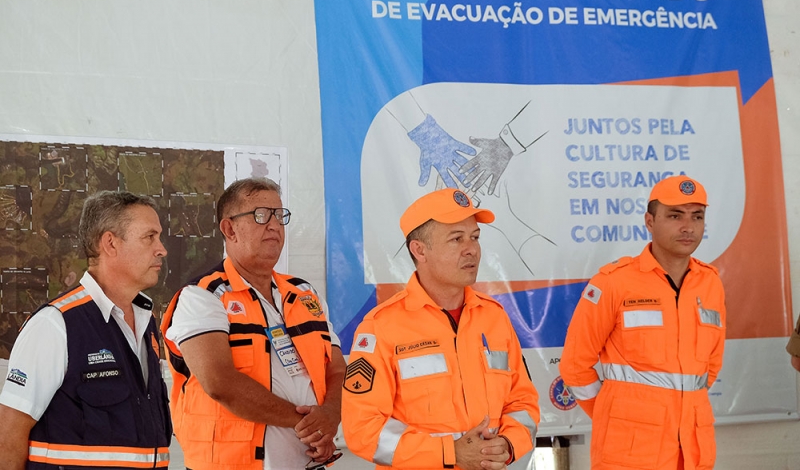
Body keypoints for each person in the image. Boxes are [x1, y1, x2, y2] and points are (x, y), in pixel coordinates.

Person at [342, 188, 540, 470]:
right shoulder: (381, 327)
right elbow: (363, 430)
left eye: (474, 237)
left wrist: (508, 445)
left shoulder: (494, 318)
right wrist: (450, 453)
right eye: (456, 239)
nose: (471, 248)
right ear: (419, 250)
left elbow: (524, 403)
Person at [161, 177, 346, 470]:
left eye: (279, 215)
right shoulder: (202, 296)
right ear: (229, 228)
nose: (274, 225)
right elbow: (220, 383)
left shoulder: (304, 293)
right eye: (261, 215)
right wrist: (309, 424)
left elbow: (336, 367)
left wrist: (331, 416)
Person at [560, 175, 725, 470]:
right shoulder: (614, 282)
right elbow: (575, 365)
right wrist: (613, 414)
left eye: (697, 217)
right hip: (628, 453)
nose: (688, 226)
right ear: (650, 222)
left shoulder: (710, 283)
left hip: (692, 451)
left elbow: (708, 370)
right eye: (675, 216)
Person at [0, 191, 172, 469]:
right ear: (110, 243)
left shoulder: (146, 322)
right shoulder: (56, 324)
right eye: (149, 237)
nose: (161, 248)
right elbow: (8, 437)